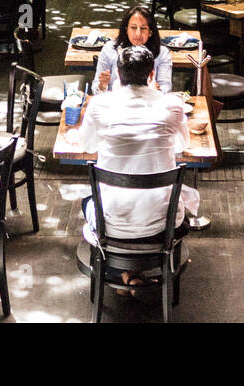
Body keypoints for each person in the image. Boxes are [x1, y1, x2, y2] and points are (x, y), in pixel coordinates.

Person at [79, 45, 201, 241]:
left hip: (110, 222)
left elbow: (87, 147)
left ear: (118, 74)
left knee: (86, 199)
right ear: (152, 73)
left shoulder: (99, 104)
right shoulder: (172, 105)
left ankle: (121, 268)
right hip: (164, 221)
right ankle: (137, 268)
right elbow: (181, 145)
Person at [91, 5, 174, 95]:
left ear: (150, 32)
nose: (138, 34)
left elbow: (165, 88)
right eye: (133, 28)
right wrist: (102, 86)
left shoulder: (162, 53)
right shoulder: (110, 49)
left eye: (143, 28)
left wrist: (157, 91)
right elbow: (96, 89)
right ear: (126, 29)